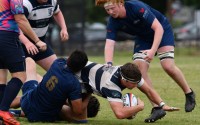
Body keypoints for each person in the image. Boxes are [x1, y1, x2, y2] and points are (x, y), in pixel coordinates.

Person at [95, 0, 195, 114]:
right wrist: (108, 63)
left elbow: (158, 28)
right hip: (143, 38)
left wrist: (152, 51)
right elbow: (109, 44)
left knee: (168, 66)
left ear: (121, 3)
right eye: (107, 10)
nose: (110, 12)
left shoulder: (137, 7)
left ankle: (189, 93)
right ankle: (157, 107)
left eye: (112, 8)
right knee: (140, 73)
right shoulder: (113, 21)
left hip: (161, 30)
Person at [75, 61, 179, 122]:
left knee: (81, 114)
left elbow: (148, 90)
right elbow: (119, 114)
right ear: (124, 80)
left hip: (85, 81)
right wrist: (139, 107)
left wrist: (162, 104)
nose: (136, 86)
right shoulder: (111, 85)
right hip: (75, 77)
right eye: (133, 83)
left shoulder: (128, 72)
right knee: (76, 115)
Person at [0, 0, 47, 125]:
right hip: (7, 36)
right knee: (20, 75)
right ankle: (3, 110)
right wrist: (37, 41)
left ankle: (1, 112)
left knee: (1, 74)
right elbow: (20, 19)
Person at [20, 0, 69, 71]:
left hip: (41, 43)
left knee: (60, 71)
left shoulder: (52, 1)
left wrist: (64, 28)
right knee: (25, 77)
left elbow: (57, 12)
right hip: (21, 45)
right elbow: (16, 25)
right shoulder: (26, 4)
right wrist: (27, 42)